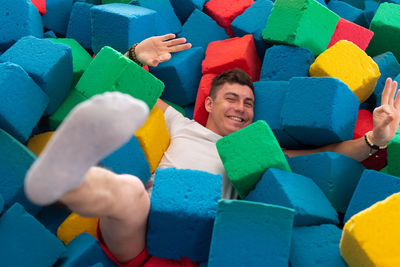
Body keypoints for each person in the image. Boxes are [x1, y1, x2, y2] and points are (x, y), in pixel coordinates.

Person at [24, 34, 400, 267]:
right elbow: (118, 86)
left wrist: (376, 140)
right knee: (127, 192)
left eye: (248, 103)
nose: (240, 108)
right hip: (140, 233)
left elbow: (326, 157)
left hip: (205, 248)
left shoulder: (259, 150)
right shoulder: (179, 123)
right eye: (231, 99)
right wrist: (136, 54)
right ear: (207, 104)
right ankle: (61, 178)